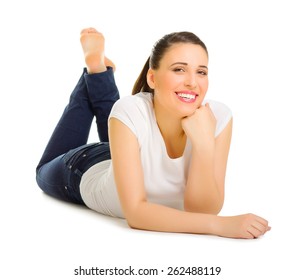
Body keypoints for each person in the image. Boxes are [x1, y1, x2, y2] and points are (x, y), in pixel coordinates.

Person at [36, 27, 271, 239]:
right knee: (42, 172)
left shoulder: (218, 118)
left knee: (126, 119)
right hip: (85, 168)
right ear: (152, 77)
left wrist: (204, 145)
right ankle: (96, 71)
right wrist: (220, 226)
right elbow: (137, 214)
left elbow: (201, 209)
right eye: (179, 69)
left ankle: (100, 75)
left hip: (129, 154)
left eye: (201, 72)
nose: (192, 82)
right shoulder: (130, 109)